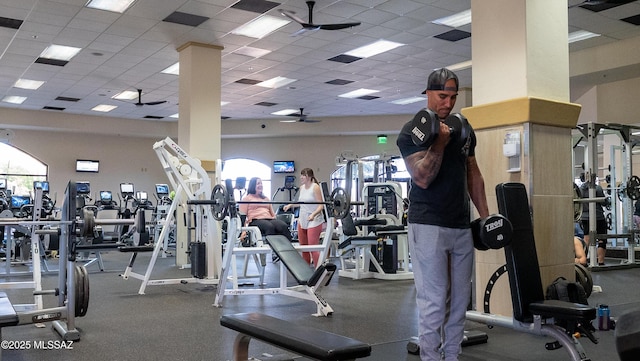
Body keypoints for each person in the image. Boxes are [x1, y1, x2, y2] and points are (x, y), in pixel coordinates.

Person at [396, 68, 489, 361]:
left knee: (460, 302)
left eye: (452, 97)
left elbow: (472, 172)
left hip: (461, 225)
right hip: (428, 225)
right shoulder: (411, 132)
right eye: (441, 96)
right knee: (434, 301)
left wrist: (485, 219)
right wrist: (438, 143)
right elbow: (422, 177)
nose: (447, 103)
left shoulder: (464, 129)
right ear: (428, 94)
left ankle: (452, 356)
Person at [283, 168, 325, 267]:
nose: (301, 177)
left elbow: (321, 205)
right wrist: (290, 205)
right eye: (301, 175)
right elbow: (301, 203)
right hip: (303, 219)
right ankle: (305, 271)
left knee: (312, 247)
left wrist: (313, 214)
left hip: (314, 219)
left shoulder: (315, 187)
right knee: (304, 248)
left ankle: (318, 270)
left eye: (304, 175)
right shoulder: (301, 188)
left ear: (309, 177)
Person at [239, 177, 293, 242]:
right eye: (258, 183)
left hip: (269, 219)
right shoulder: (247, 199)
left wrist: (276, 221)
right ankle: (271, 249)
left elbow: (273, 214)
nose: (260, 185)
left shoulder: (266, 198)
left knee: (283, 225)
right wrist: (243, 231)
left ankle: (288, 248)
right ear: (252, 185)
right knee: (269, 226)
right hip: (255, 220)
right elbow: (242, 217)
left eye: (261, 183)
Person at [579, 175, 607, 265]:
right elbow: (604, 202)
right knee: (602, 239)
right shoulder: (598, 188)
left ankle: (583, 261)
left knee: (587, 239)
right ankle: (601, 262)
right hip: (598, 217)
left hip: (585, 217)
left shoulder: (580, 189)